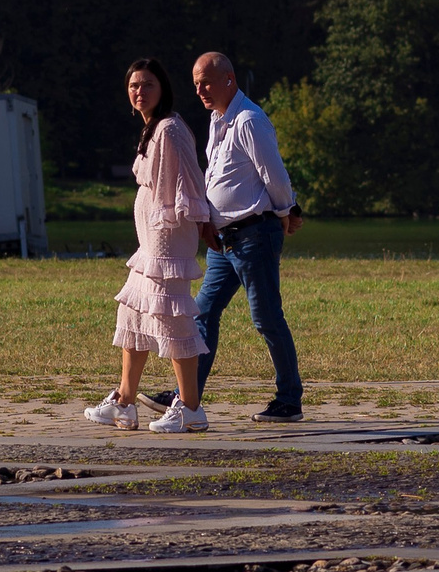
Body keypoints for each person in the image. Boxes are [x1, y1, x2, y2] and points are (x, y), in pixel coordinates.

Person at [84, 58, 212, 433]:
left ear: (163, 89)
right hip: (150, 239)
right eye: (134, 86)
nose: (140, 91)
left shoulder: (170, 129)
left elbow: (191, 179)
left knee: (172, 320)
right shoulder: (152, 129)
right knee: (134, 315)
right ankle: (124, 403)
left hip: (168, 238)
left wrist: (200, 222)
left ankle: (190, 408)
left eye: (148, 85)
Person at [191, 50, 306, 422]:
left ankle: (289, 400)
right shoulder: (217, 120)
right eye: (196, 84)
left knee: (267, 318)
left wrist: (287, 211)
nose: (200, 90)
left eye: (206, 82)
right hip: (223, 242)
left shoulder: (249, 120)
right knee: (202, 313)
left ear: (229, 79)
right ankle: (186, 397)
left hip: (255, 234)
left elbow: (273, 173)